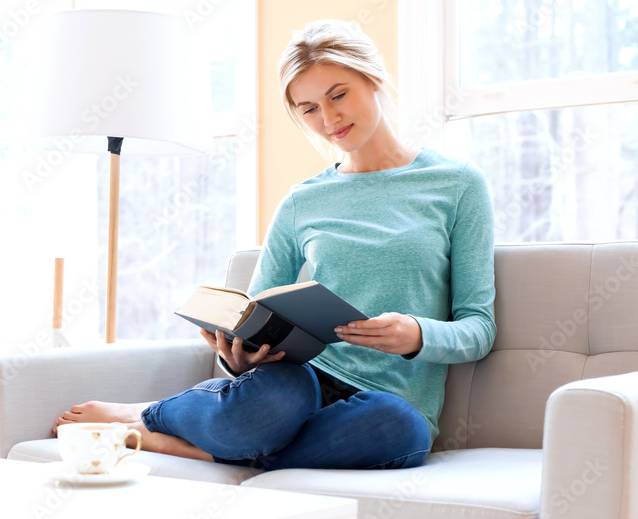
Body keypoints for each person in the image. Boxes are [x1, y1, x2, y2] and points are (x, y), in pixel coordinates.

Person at [53, 19, 496, 471]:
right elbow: (256, 311)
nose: (329, 119)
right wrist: (239, 354)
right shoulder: (303, 201)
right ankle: (152, 414)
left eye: (338, 95)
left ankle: (169, 437)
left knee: (394, 430)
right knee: (271, 403)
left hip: (390, 401)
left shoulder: (456, 185)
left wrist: (417, 335)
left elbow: (479, 328)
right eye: (308, 109)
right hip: (297, 382)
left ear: (374, 78)